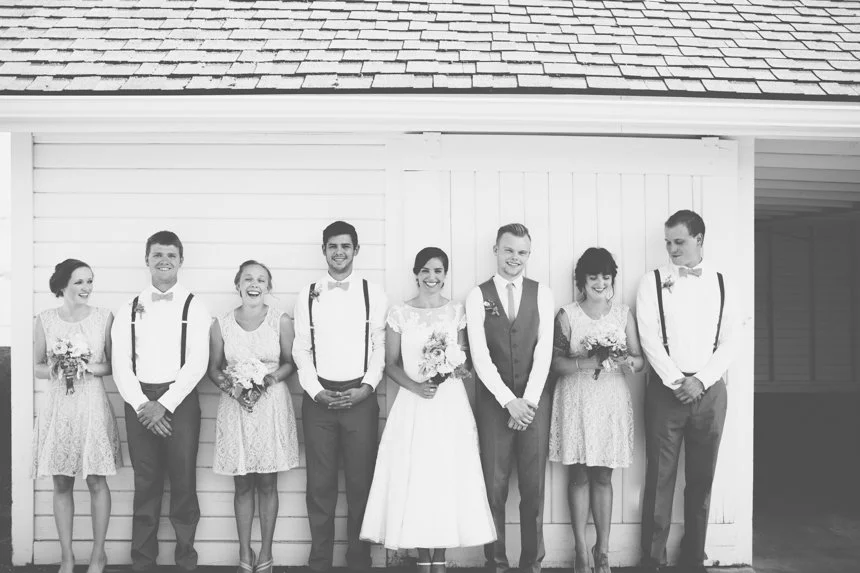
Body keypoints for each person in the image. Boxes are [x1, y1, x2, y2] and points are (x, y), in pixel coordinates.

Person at [361, 247, 496, 573]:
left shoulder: (455, 312)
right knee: (418, 479)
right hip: (414, 404)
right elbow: (390, 364)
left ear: (445, 274)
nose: (432, 278)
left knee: (446, 478)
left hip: (449, 405)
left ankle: (441, 562)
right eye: (426, 271)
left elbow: (463, 359)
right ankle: (424, 562)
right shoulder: (400, 313)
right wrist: (415, 386)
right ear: (416, 274)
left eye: (438, 271)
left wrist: (448, 368)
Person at [636, 210, 737, 573]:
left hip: (709, 392)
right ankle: (651, 559)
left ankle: (694, 558)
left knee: (701, 479)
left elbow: (730, 341)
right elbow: (648, 337)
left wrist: (702, 380)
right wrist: (677, 380)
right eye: (667, 242)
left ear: (699, 239)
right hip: (667, 391)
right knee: (659, 478)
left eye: (679, 242)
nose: (672, 249)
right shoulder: (652, 281)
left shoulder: (724, 283)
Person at [111, 231, 211, 573]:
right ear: (147, 260)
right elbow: (119, 363)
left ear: (181, 260)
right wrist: (143, 404)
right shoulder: (128, 307)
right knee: (146, 482)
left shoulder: (195, 306)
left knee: (183, 482)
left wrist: (164, 404)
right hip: (138, 400)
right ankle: (142, 561)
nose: (164, 261)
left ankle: (186, 560)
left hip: (179, 401)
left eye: (170, 255)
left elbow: (198, 361)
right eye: (157, 255)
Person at [293, 221, 387, 573]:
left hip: (360, 398)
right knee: (319, 485)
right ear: (324, 250)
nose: (339, 252)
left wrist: (366, 387)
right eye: (332, 246)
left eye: (345, 246)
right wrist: (316, 391)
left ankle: (359, 561)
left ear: (356, 250)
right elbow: (301, 348)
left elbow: (379, 345)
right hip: (318, 399)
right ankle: (319, 561)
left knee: (361, 483)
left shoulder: (372, 293)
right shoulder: (307, 293)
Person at [548, 248, 645, 573]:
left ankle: (602, 550)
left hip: (610, 403)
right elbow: (556, 363)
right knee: (578, 476)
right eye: (593, 277)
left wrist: (628, 362)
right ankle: (580, 550)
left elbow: (639, 359)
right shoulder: (567, 314)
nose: (600, 283)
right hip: (576, 401)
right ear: (582, 281)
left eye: (606, 276)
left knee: (603, 476)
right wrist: (586, 361)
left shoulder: (622, 314)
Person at [465, 223, 555, 573]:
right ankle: (496, 564)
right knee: (495, 486)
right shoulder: (478, 295)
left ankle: (532, 564)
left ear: (528, 255)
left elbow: (544, 351)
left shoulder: (542, 293)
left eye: (521, 252)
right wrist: (508, 401)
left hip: (534, 404)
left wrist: (528, 401)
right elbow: (479, 355)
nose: (514, 258)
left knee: (533, 489)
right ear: (496, 250)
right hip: (493, 404)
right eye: (508, 250)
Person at [208, 260, 300, 573]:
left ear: (268, 287)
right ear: (238, 284)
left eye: (261, 279)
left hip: (271, 406)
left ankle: (266, 553)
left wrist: (268, 381)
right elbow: (214, 368)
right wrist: (230, 387)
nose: (254, 284)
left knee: (268, 484)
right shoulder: (220, 324)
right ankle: (244, 552)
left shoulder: (281, 321)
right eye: (248, 278)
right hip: (236, 407)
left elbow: (290, 363)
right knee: (242, 485)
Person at [32, 259, 121, 573]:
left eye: (90, 281)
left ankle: (98, 555)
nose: (87, 288)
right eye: (80, 282)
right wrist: (57, 367)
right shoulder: (44, 320)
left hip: (91, 405)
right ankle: (67, 557)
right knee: (61, 482)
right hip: (59, 407)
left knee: (96, 479)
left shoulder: (103, 318)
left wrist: (87, 367)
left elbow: (112, 364)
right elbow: (38, 368)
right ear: (63, 285)